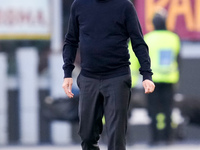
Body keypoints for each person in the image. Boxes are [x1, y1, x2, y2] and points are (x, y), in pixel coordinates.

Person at [62, 0, 155, 150]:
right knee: (86, 136)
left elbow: (138, 42)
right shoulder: (79, 5)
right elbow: (71, 40)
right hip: (88, 78)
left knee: (116, 139)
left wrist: (146, 75)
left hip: (117, 77)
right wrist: (67, 73)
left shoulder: (125, 6)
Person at [144, 9, 181, 145]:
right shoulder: (173, 38)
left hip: (152, 80)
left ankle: (154, 139)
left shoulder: (148, 38)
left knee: (152, 110)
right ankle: (168, 139)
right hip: (169, 79)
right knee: (168, 110)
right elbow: (178, 60)